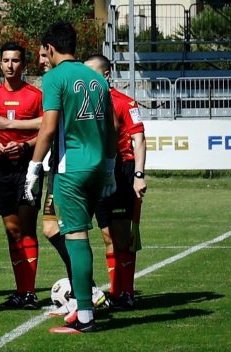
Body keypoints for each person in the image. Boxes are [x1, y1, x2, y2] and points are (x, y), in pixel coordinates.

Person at [25, 22, 117, 334]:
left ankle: (85, 315)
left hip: (70, 170)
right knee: (67, 231)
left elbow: (48, 128)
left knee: (76, 237)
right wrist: (109, 167)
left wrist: (33, 168)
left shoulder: (53, 78)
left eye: (44, 52)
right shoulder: (97, 78)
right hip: (95, 168)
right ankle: (81, 304)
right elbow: (110, 128)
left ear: (50, 48)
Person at [0, 41, 44, 309]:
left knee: (27, 227)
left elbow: (46, 129)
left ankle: (29, 292)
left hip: (28, 167)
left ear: (24, 64)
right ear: (0, 64)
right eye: (6, 61)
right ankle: (21, 290)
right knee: (11, 229)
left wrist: (25, 145)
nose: (10, 65)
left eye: (15, 60)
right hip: (1, 169)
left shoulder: (35, 96)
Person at [85, 54, 147, 310]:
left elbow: (139, 139)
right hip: (98, 170)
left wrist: (139, 175)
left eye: (92, 73)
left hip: (122, 169)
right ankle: (115, 291)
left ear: (106, 75)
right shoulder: (86, 103)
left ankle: (127, 292)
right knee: (107, 235)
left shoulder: (124, 102)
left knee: (122, 236)